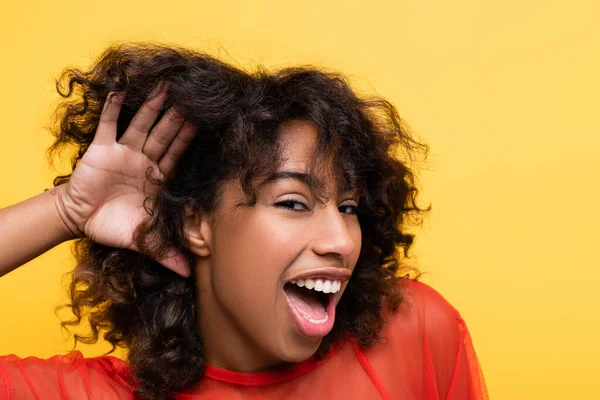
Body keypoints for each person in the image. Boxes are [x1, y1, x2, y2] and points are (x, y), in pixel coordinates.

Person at [0, 43, 488, 400]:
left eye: (348, 207)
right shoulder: (88, 394)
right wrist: (65, 211)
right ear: (195, 223)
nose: (341, 239)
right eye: (294, 203)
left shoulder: (416, 333)